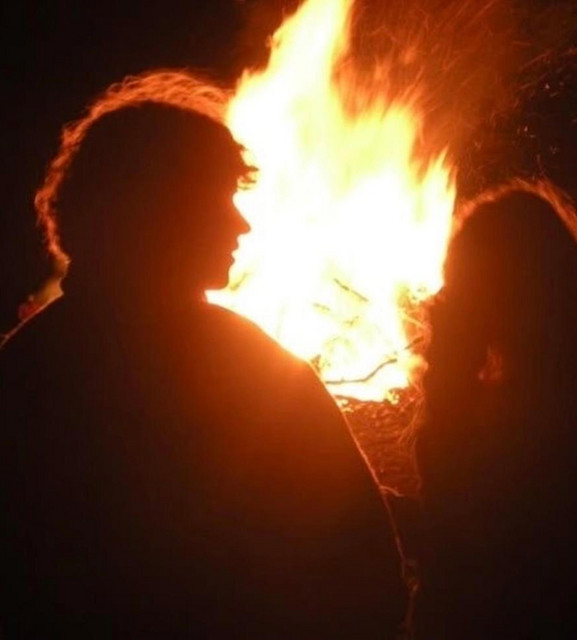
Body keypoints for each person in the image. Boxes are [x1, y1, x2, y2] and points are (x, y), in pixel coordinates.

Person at [0, 75, 405, 638]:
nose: (242, 223)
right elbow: (367, 575)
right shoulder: (250, 369)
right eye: (220, 198)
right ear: (161, 207)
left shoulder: (26, 367)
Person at [413, 183, 577, 639]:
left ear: (512, 290)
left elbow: (476, 529)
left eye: (462, 285)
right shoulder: (569, 389)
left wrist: (449, 370)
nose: (448, 300)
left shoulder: (575, 408)